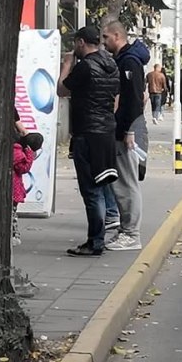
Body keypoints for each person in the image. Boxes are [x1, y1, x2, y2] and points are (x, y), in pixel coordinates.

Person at [58, 26, 120, 257]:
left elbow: (61, 90)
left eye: (75, 43)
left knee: (91, 191)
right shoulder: (111, 64)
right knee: (101, 183)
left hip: (86, 133)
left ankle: (95, 241)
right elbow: (115, 98)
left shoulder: (85, 66)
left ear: (81, 42)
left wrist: (66, 65)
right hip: (106, 132)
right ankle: (98, 238)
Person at [102, 21, 146, 251]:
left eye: (106, 37)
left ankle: (131, 234)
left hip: (126, 131)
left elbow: (135, 99)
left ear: (117, 35)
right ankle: (126, 230)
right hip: (122, 129)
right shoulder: (123, 60)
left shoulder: (129, 62)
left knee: (127, 183)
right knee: (121, 183)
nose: (104, 42)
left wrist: (129, 130)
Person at [12, 132, 44, 246]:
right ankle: (14, 235)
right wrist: (29, 156)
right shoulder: (19, 154)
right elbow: (23, 168)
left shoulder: (14, 147)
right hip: (14, 186)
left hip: (12, 185)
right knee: (13, 213)